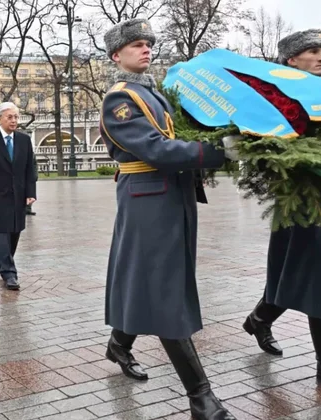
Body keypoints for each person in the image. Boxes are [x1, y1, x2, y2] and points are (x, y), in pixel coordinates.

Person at [99, 19, 238, 420]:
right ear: (116, 55)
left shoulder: (155, 94)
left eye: (148, 44)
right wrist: (217, 153)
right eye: (136, 45)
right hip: (148, 202)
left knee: (154, 280)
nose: (145, 50)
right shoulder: (120, 99)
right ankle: (201, 397)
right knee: (164, 292)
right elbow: (157, 150)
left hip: (168, 199)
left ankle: (119, 344)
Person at [241, 29, 321, 398]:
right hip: (302, 198)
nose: (320, 57)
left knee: (307, 269)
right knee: (319, 274)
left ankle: (260, 319)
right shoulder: (277, 97)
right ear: (291, 60)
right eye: (312, 51)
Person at [0, 102, 37, 291]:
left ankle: (3, 262)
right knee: (2, 232)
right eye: (10, 117)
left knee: (15, 231)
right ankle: (9, 273)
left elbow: (30, 168)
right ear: (0, 118)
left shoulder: (24, 140)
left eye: (16, 117)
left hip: (18, 194)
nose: (14, 120)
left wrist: (30, 193)